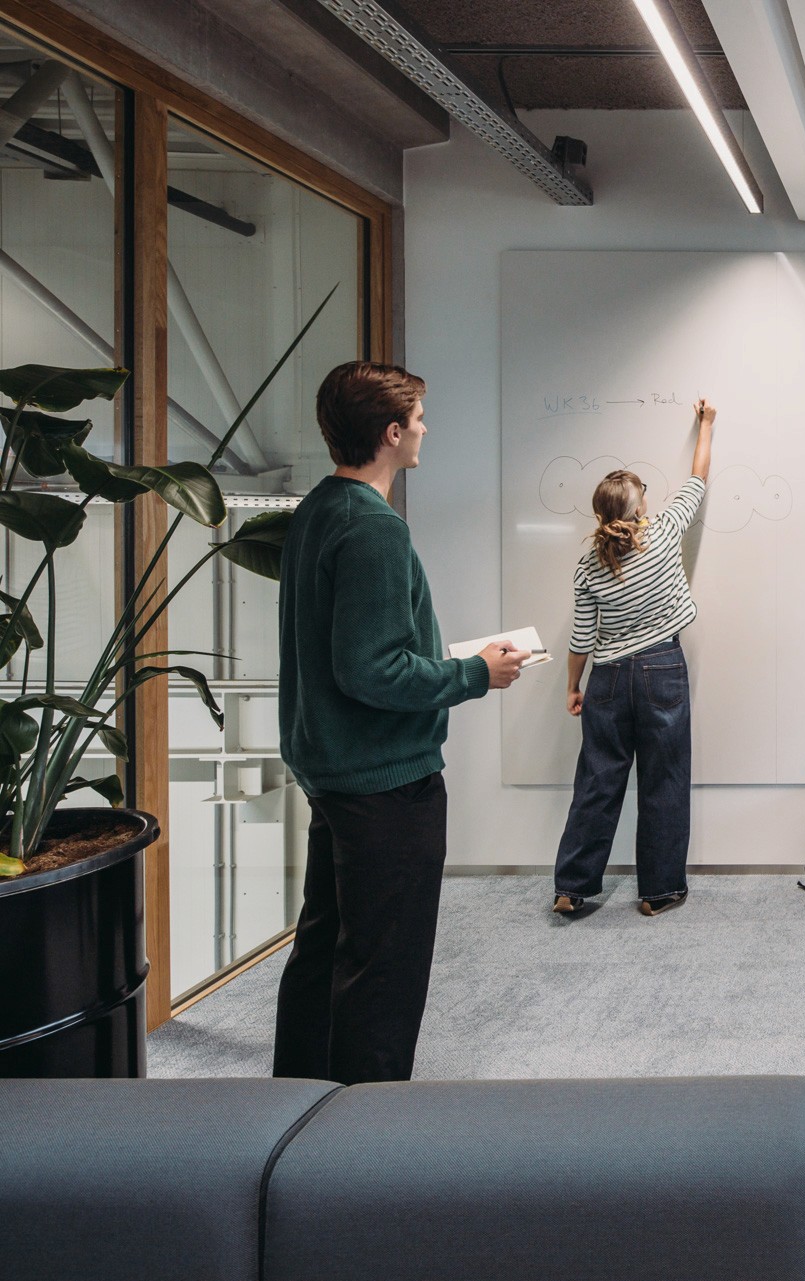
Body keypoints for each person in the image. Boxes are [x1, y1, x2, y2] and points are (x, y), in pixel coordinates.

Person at [273, 361, 527, 1086]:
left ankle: (299, 1106)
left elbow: (354, 655)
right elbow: (372, 670)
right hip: (384, 783)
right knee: (384, 966)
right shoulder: (373, 528)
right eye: (416, 418)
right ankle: (365, 1126)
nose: (424, 428)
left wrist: (454, 662)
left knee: (325, 947)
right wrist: (476, 673)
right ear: (390, 433)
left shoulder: (320, 509)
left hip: (336, 772)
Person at [552, 399, 717, 916]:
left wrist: (573, 686)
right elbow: (698, 479)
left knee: (597, 781)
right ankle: (659, 892)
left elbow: (582, 637)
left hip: (606, 678)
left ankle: (572, 888)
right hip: (661, 670)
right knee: (664, 779)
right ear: (638, 507)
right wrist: (707, 425)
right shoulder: (664, 533)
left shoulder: (589, 564)